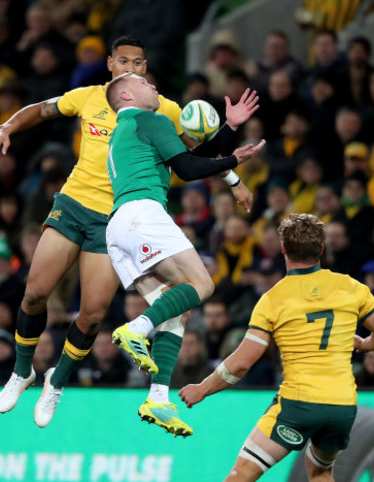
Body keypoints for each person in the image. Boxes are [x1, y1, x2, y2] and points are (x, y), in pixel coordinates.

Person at [0, 35, 257, 429]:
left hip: (114, 218)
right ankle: (21, 372)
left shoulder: (161, 107)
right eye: (124, 61)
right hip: (76, 204)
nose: (132, 68)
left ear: (145, 69)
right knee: (35, 294)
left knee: (93, 314)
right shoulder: (90, 97)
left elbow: (186, 156)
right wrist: (5, 127)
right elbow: (42, 110)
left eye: (139, 63)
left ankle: (56, 382)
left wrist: (233, 178)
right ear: (111, 65)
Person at [102, 71, 264, 437]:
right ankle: (136, 328)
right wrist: (234, 163)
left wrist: (229, 128)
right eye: (145, 84)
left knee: (179, 311)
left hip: (119, 228)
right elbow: (191, 169)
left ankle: (158, 398)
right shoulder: (151, 120)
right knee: (202, 283)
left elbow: (186, 159)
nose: (154, 85)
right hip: (143, 216)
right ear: (126, 96)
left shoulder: (128, 131)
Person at [179, 213, 374, 482]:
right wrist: (365, 344)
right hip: (342, 405)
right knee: (320, 472)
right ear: (321, 249)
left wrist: (202, 389)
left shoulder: (273, 299)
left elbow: (242, 363)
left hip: (298, 404)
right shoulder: (351, 287)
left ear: (283, 248)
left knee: (243, 473)